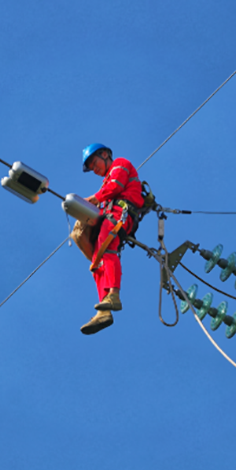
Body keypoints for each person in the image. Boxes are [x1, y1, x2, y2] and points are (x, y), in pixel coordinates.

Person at [79, 143, 145, 335]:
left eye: (94, 163)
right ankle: (104, 310)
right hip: (110, 216)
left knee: (107, 249)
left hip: (121, 213)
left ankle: (114, 294)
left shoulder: (120, 164)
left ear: (105, 154)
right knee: (97, 262)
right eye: (91, 168)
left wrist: (92, 200)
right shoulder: (105, 181)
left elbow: (115, 187)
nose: (95, 169)